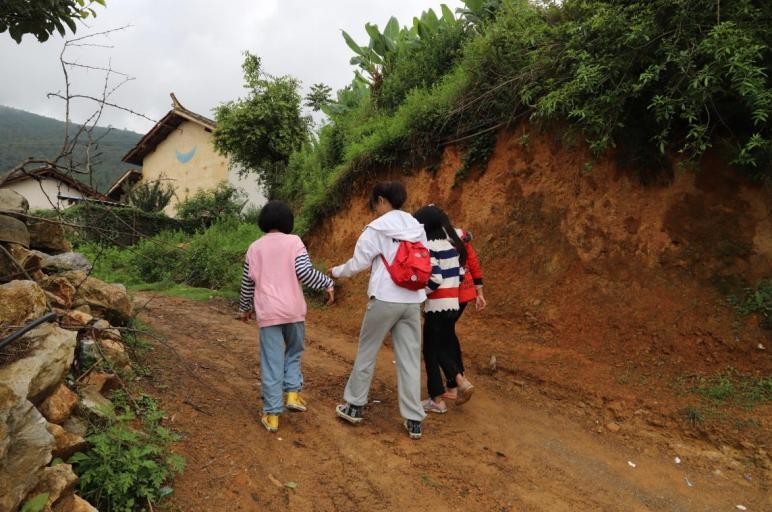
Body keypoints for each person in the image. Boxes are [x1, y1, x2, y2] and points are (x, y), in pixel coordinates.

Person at [330, 181, 427, 440]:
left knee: (367, 352)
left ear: (382, 200)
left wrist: (336, 271)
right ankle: (414, 419)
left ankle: (354, 406)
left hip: (384, 297)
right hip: (412, 300)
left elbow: (358, 264)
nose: (375, 208)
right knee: (409, 359)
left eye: (375, 203)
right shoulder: (417, 227)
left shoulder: (377, 228)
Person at [238, 200, 334, 433]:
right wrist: (327, 282)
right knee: (294, 352)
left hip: (268, 313)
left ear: (263, 221)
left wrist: (245, 308)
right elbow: (304, 272)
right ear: (288, 222)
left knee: (272, 363)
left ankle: (272, 415)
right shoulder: (294, 242)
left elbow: (247, 284)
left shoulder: (254, 248)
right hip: (293, 311)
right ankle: (292, 393)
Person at [413, 205, 474, 414]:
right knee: (442, 346)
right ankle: (460, 381)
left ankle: (437, 400)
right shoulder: (450, 246)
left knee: (430, 351)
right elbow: (460, 274)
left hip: (437, 306)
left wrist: (421, 294)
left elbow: (435, 278)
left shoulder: (429, 248)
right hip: (453, 304)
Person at [439, 212, 486, 402]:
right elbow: (473, 263)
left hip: (447, 295)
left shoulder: (436, 239)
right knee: (448, 333)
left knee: (439, 338)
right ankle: (455, 383)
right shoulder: (461, 236)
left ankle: (458, 381)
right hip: (465, 293)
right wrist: (480, 293)